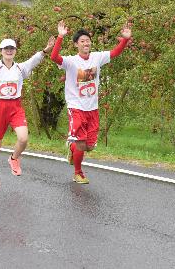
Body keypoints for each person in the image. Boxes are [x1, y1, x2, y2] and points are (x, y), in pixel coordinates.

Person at [50, 20, 131, 184]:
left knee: (89, 146)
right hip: (76, 107)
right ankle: (78, 173)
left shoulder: (97, 57)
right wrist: (60, 36)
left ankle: (71, 148)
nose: (86, 43)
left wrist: (125, 39)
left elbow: (115, 53)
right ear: (76, 44)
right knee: (81, 143)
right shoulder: (71, 61)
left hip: (92, 108)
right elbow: (54, 57)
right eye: (82, 41)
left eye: (88, 40)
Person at [0, 23, 55, 187]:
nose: (9, 51)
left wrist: (47, 49)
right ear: (1, 51)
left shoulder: (20, 68)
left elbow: (34, 60)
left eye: (12, 48)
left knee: (23, 138)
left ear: (15, 51)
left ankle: (14, 159)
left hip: (15, 106)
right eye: (6, 48)